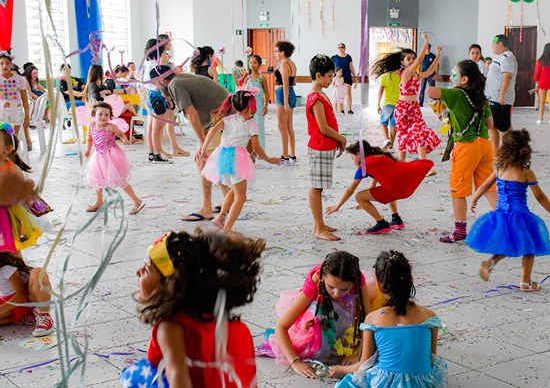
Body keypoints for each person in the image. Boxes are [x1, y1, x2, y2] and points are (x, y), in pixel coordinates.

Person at [119, 229, 263, 387]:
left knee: (133, 376)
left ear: (168, 285)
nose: (138, 272)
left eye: (147, 269)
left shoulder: (170, 328)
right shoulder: (220, 320)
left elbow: (177, 373)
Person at [330, 250, 448, 387]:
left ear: (379, 286)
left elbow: (365, 364)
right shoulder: (429, 317)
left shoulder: (373, 320)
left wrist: (341, 370)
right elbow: (431, 360)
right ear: (411, 279)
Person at [466, 129, 550, 291]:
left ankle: (491, 262)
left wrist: (474, 199)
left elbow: (484, 186)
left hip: (501, 215)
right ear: (524, 150)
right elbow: (540, 196)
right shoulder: (526, 173)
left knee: (510, 243)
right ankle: (525, 282)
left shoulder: (500, 170)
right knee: (529, 247)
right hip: (520, 216)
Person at [259, 251, 370, 378]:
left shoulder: (358, 280)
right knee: (320, 320)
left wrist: (357, 353)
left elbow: (368, 320)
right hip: (317, 307)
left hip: (345, 308)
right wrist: (295, 362)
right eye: (331, 286)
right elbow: (281, 327)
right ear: (323, 278)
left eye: (344, 289)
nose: (337, 293)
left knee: (351, 316)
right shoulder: (316, 278)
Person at [427, 60, 497, 243]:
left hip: (466, 147)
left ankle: (459, 231)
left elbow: (430, 92)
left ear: (464, 79)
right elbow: (490, 124)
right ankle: (505, 223)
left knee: (458, 190)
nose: (452, 77)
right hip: (484, 145)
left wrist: (451, 89)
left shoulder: (456, 94)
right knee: (488, 187)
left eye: (454, 74)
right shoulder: (481, 98)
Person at [154, 66, 231, 222]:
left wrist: (203, 144)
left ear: (161, 80)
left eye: (154, 83)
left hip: (221, 121)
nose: (155, 87)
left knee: (204, 161)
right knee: (210, 163)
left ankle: (207, 209)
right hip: (221, 118)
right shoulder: (180, 78)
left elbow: (192, 115)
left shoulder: (174, 84)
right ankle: (228, 199)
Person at [198, 91, 279, 234]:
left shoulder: (227, 119)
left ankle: (221, 216)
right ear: (250, 106)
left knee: (234, 190)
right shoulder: (251, 124)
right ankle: (227, 229)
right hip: (237, 159)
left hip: (222, 156)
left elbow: (211, 131)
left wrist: (203, 149)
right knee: (241, 197)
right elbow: (256, 147)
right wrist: (268, 159)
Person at [326, 141, 433, 235]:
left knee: (359, 196)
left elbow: (350, 190)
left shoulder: (364, 166)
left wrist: (337, 206)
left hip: (396, 189)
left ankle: (381, 223)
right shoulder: (380, 156)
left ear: (358, 154)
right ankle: (396, 219)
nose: (353, 162)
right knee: (387, 186)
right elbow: (376, 180)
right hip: (405, 187)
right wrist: (365, 200)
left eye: (352, 158)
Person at [370, 33, 441, 162]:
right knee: (403, 135)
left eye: (413, 58)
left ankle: (423, 162)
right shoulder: (405, 74)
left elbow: (430, 71)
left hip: (414, 107)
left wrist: (438, 55)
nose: (412, 60)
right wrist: (425, 42)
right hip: (403, 108)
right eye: (408, 59)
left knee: (421, 131)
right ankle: (401, 162)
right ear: (402, 62)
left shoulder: (416, 75)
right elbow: (419, 61)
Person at [306, 54, 346, 241]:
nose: (332, 79)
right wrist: (341, 138)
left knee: (319, 187)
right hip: (319, 147)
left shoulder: (321, 93)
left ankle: (320, 223)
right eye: (329, 76)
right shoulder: (315, 97)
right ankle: (319, 228)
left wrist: (336, 140)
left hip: (326, 146)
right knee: (316, 188)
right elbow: (323, 127)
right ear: (318, 75)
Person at [84, 103, 144, 215]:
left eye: (106, 115)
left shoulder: (111, 127)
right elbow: (89, 139)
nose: (103, 117)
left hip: (111, 156)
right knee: (97, 178)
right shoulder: (91, 125)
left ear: (110, 116)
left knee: (119, 179)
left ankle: (137, 201)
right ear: (94, 114)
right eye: (100, 114)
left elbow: (121, 133)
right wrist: (88, 150)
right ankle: (99, 201)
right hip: (98, 156)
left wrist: (125, 139)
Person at [0, 124, 41, 253]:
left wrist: (28, 188)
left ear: (7, 149)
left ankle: (17, 264)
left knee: (11, 248)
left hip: (6, 216)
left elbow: (21, 192)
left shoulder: (11, 169)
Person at [0, 253, 54, 337]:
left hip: (27, 299)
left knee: (38, 272)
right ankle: (24, 316)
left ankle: (44, 314)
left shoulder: (5, 268)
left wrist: (2, 309)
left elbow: (22, 294)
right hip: (10, 303)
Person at [84, 64, 137, 142]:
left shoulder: (97, 84)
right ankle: (134, 123)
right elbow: (96, 95)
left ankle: (131, 129)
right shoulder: (92, 84)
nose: (103, 74)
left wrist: (125, 90)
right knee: (128, 105)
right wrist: (106, 91)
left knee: (127, 105)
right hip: (100, 108)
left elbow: (111, 90)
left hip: (103, 106)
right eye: (102, 73)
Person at [485, 34, 517, 153]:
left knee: (504, 128)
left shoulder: (507, 57)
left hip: (500, 100)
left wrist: (502, 96)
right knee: (492, 125)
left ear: (500, 44)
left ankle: (510, 153)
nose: (492, 46)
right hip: (492, 98)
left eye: (493, 44)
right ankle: (496, 153)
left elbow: (507, 76)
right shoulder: (499, 58)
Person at [0, 51, 32, 150]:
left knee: (14, 136)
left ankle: (14, 154)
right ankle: (5, 155)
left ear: (11, 64)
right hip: (3, 113)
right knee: (5, 137)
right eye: (1, 63)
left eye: (7, 63)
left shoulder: (19, 79)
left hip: (16, 112)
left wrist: (27, 117)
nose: (4, 66)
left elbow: (25, 99)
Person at [275, 41, 298, 162]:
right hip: (290, 93)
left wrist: (286, 103)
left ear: (282, 52)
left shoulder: (284, 65)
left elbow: (285, 84)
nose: (275, 54)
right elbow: (294, 82)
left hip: (284, 95)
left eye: (277, 51)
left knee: (282, 126)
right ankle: (292, 153)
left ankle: (284, 154)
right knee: (289, 126)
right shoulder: (292, 64)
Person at [245, 54, 269, 148]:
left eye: (255, 63)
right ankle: (250, 149)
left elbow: (267, 93)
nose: (252, 64)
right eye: (250, 62)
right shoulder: (247, 78)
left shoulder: (261, 78)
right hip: (248, 106)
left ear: (259, 65)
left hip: (259, 106)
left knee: (258, 127)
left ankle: (260, 149)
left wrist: (265, 106)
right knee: (248, 127)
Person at [376, 69, 400, 150]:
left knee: (383, 123)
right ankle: (391, 145)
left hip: (387, 104)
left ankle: (387, 139)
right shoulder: (399, 76)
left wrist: (378, 104)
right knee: (393, 125)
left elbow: (381, 91)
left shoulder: (383, 77)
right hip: (398, 104)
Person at [331, 44, 358, 114]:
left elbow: (351, 67)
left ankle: (349, 109)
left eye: (342, 47)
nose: (341, 49)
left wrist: (354, 76)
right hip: (337, 78)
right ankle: (340, 110)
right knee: (338, 94)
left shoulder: (348, 57)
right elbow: (331, 67)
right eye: (339, 47)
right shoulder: (334, 57)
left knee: (348, 93)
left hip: (347, 76)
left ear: (345, 48)